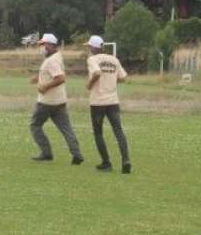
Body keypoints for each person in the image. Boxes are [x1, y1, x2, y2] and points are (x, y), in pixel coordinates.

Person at [29, 33, 84, 165]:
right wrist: (39, 77)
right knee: (66, 128)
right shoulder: (56, 57)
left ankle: (46, 153)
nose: (41, 47)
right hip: (60, 101)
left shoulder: (52, 60)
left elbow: (60, 78)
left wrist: (44, 87)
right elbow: (51, 73)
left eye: (43, 44)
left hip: (46, 101)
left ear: (50, 45)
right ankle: (77, 154)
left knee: (35, 125)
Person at [84, 35, 131, 174]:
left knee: (98, 133)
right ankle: (126, 160)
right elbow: (123, 77)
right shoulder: (114, 59)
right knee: (118, 131)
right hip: (113, 101)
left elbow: (97, 72)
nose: (88, 48)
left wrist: (89, 84)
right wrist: (111, 82)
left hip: (98, 101)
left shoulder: (92, 59)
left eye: (89, 46)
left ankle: (106, 162)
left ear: (93, 47)